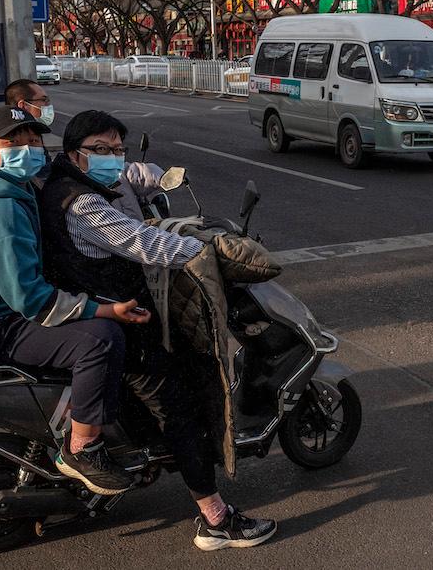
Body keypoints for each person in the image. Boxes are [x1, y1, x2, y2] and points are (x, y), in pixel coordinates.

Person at [36, 110, 277, 550]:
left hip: (102, 313)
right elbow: (142, 242)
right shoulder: (83, 204)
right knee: (180, 411)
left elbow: (133, 222)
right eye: (101, 150)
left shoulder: (62, 184)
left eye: (118, 150)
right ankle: (216, 519)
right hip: (123, 326)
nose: (112, 158)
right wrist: (209, 252)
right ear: (75, 154)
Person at [0, 106, 151, 495]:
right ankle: (82, 449)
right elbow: (31, 300)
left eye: (34, 140)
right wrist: (104, 310)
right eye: (14, 142)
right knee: (100, 340)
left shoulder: (7, 186)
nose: (28, 148)